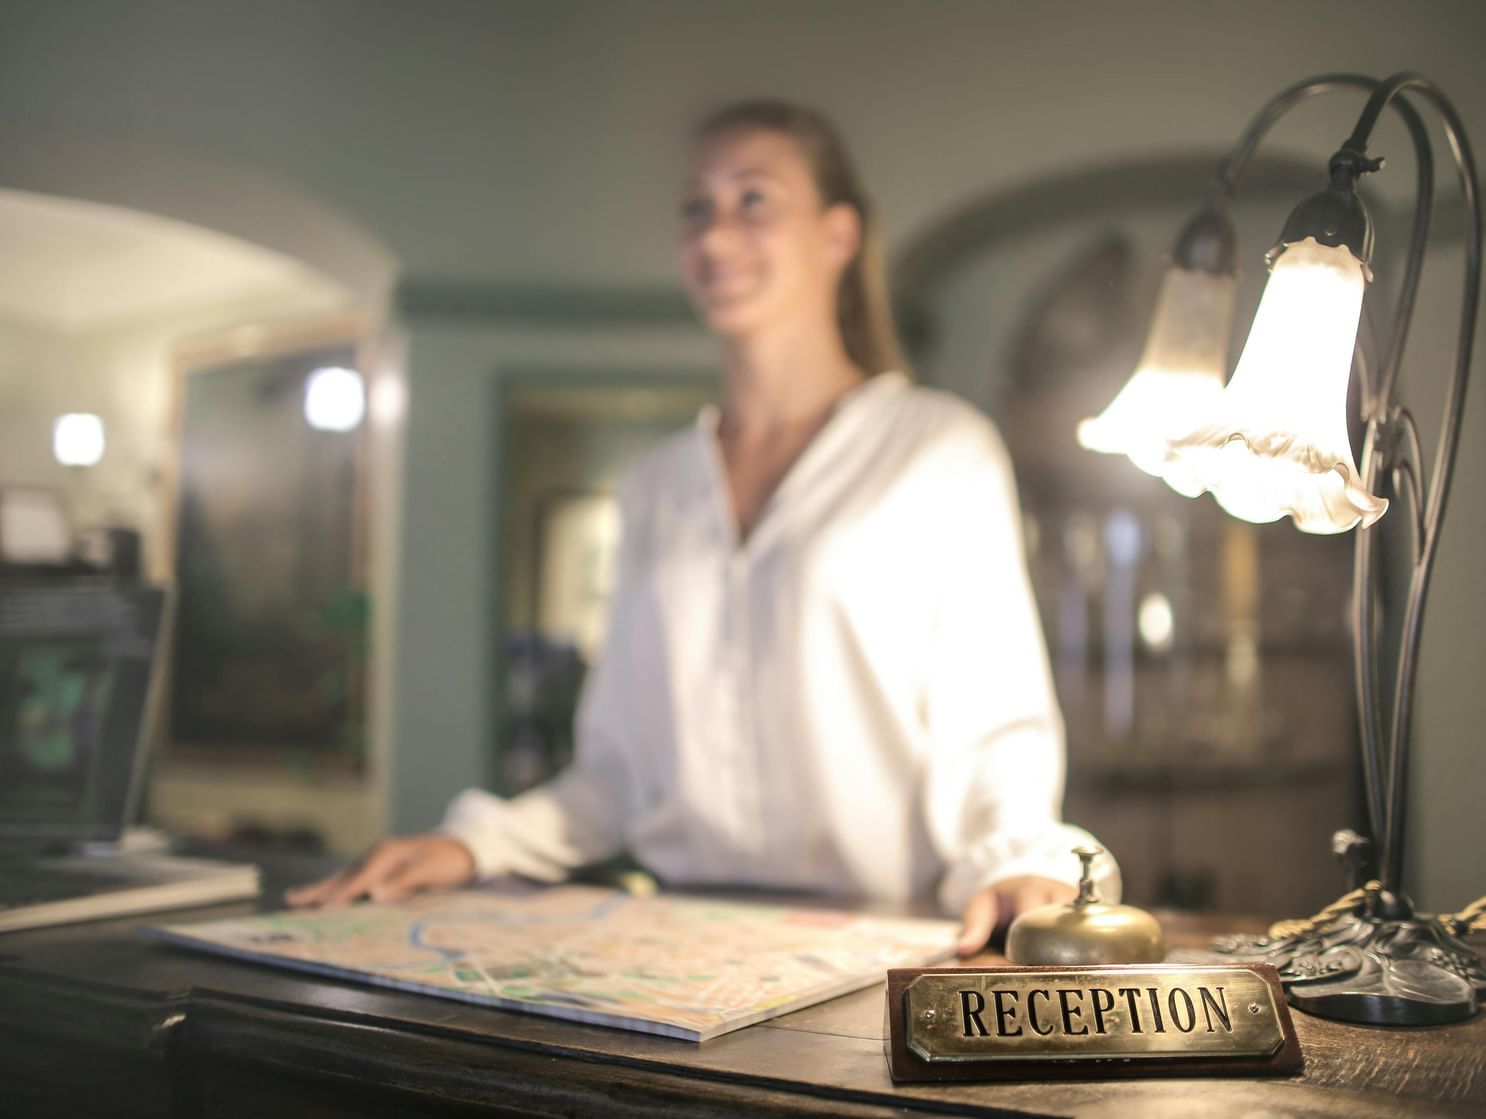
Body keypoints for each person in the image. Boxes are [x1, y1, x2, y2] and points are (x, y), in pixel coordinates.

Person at [289, 99, 1119, 956]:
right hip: (674, 945)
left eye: (753, 199)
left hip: (879, 942)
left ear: (838, 234)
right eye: (697, 208)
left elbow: (993, 722)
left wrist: (1020, 859)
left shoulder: (937, 448)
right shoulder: (655, 487)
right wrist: (475, 843)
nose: (715, 237)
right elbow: (614, 772)